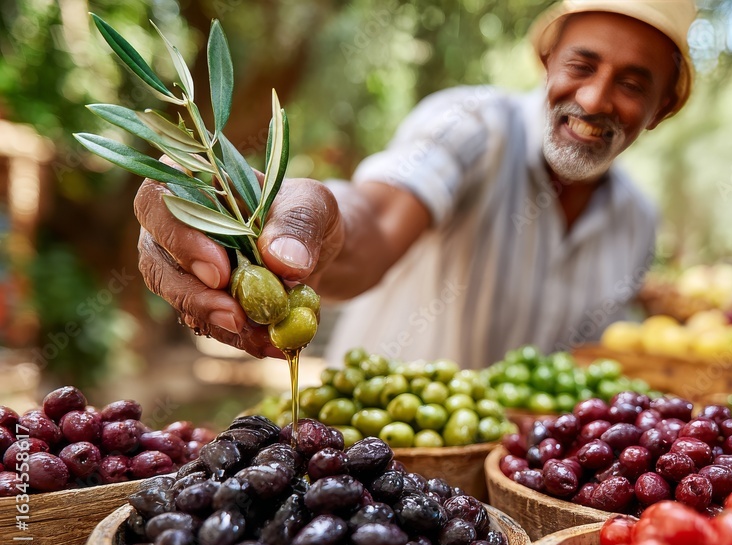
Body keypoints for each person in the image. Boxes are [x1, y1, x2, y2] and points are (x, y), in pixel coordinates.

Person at [133, 0, 697, 368]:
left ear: (661, 108)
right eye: (581, 65)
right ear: (548, 60)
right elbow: (373, 224)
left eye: (631, 83)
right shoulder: (469, 128)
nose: (595, 99)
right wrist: (314, 225)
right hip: (372, 471)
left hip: (515, 504)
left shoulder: (637, 222)